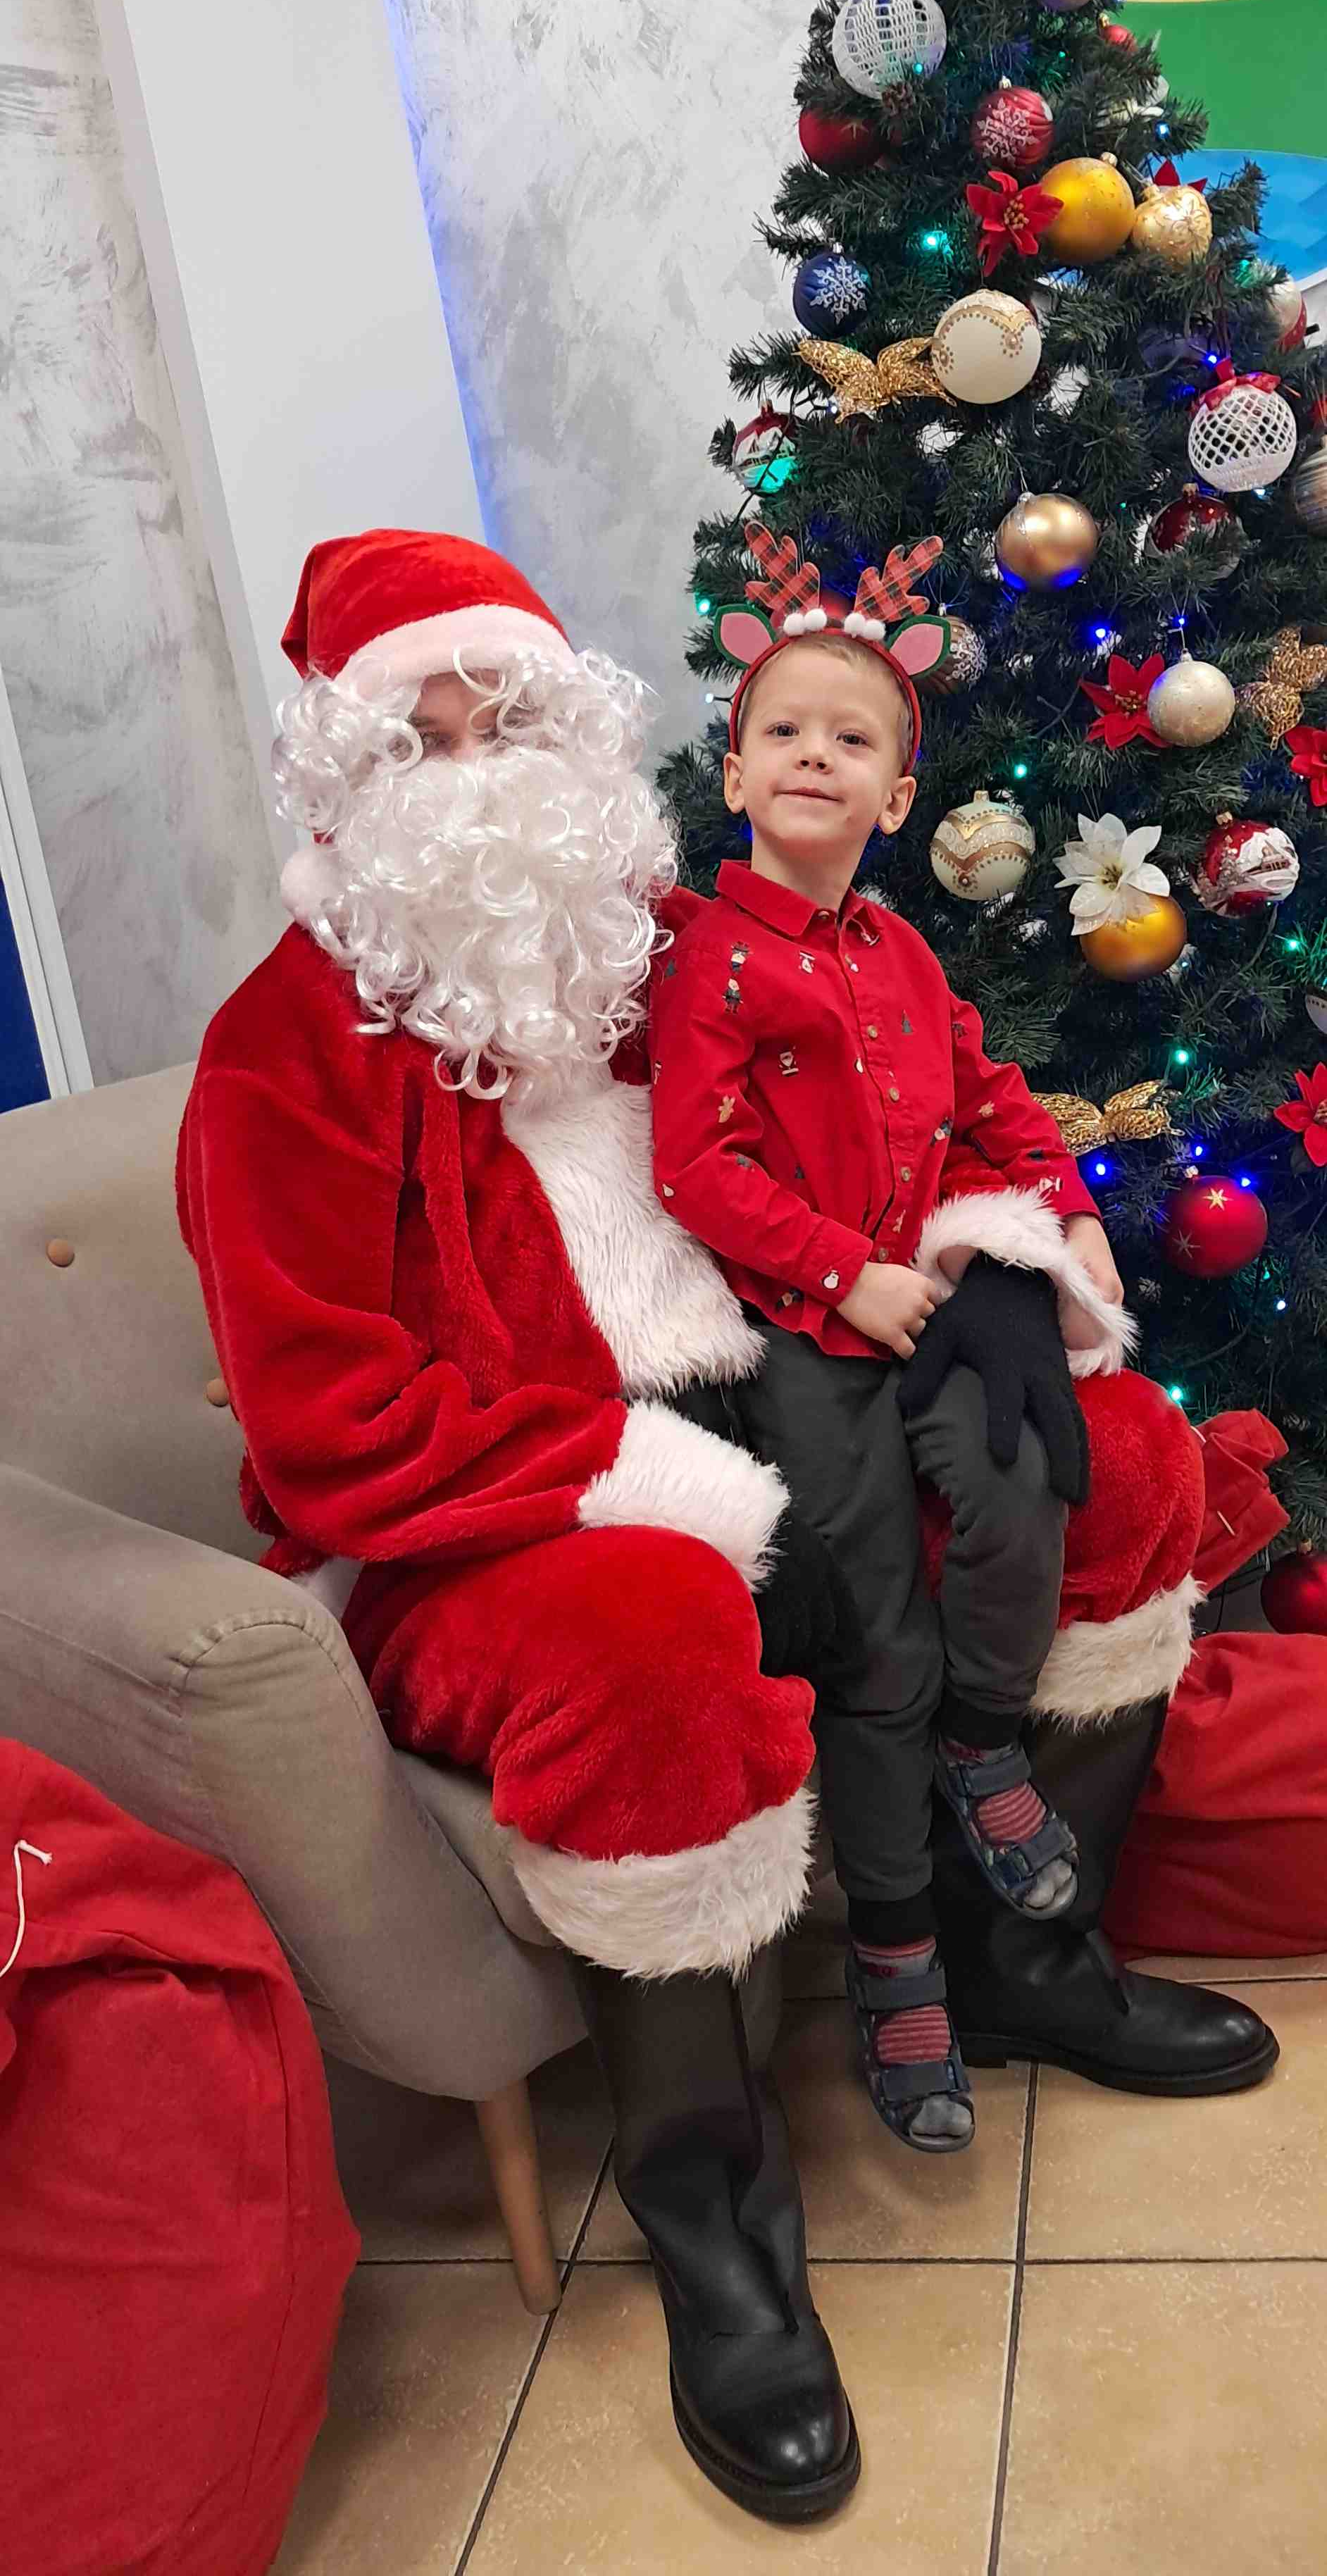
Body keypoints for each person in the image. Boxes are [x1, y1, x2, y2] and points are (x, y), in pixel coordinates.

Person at [178, 525, 1275, 2533]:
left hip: (796, 1389)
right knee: (651, 1646)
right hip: (497, 1512)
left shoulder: (679, 945)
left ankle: (1025, 1955)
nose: (474, 772)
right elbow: (333, 1430)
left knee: (1117, 1454)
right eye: (420, 740)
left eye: (505, 722)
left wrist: (1002, 1257)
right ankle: (715, 2218)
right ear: (343, 782)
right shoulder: (289, 1047)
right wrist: (680, 1496)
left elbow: (919, 1114)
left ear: (578, 739)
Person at [651, 525, 1152, 2151]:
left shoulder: (905, 952)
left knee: (1021, 1481)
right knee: (872, 1634)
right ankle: (893, 1951)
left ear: (896, 800)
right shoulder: (711, 957)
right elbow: (693, 1168)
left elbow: (992, 1101)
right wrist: (838, 1273)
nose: (817, 753)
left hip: (932, 1304)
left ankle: (985, 1747)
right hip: (805, 1332)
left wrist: (1062, 1210)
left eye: (852, 739)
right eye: (785, 730)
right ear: (737, 774)